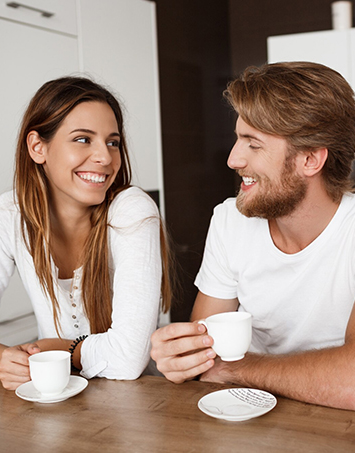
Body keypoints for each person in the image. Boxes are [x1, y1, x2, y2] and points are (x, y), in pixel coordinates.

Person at [151, 61, 355, 410]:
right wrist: (180, 356)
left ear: (310, 160)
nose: (232, 159)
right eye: (237, 139)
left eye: (253, 144)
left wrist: (238, 369)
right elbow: (206, 355)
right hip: (246, 414)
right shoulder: (230, 220)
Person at [0, 76, 172, 390]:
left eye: (113, 142)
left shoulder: (132, 210)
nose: (105, 157)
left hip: (139, 402)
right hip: (53, 397)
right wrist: (2, 359)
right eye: (83, 139)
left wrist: (59, 347)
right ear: (38, 147)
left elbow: (129, 359)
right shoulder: (10, 214)